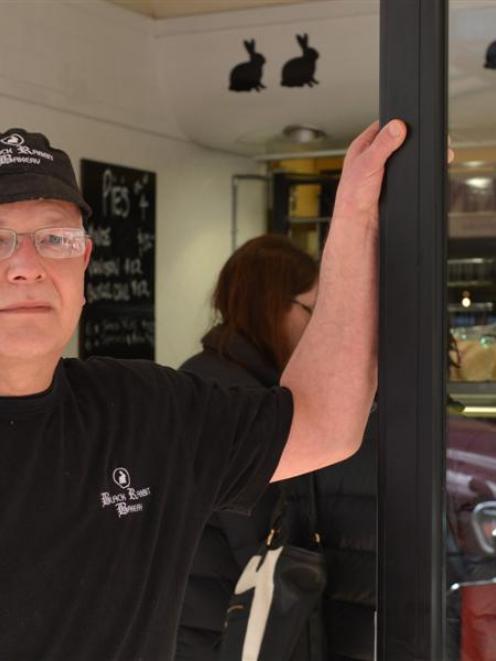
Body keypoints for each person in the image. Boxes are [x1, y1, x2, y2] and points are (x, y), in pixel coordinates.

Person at [0, 120, 406, 661]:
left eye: (54, 238)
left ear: (84, 262)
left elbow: (322, 421)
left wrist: (356, 214)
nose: (26, 267)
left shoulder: (142, 410)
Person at [175, 235, 377, 661]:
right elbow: (265, 546)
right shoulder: (238, 401)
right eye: (313, 309)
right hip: (227, 635)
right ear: (274, 308)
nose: (319, 325)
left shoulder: (210, 378)